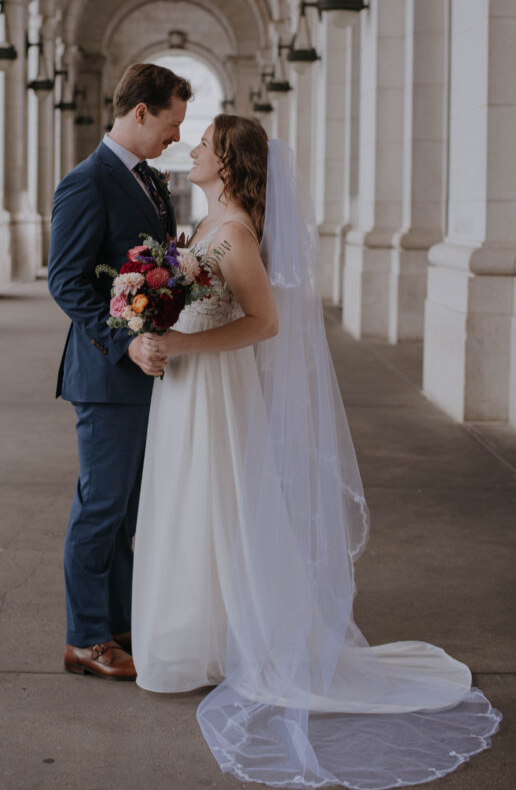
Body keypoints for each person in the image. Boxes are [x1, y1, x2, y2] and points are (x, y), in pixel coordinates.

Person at [132, 114, 500, 788]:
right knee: (194, 506)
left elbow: (265, 322)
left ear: (228, 161)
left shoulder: (236, 232)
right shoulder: (210, 224)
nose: (192, 149)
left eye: (204, 143)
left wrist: (178, 342)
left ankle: (242, 640)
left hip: (217, 388)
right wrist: (146, 328)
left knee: (224, 502)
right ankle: (203, 639)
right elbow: (180, 303)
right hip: (188, 390)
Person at [47, 62, 190, 681]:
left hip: (145, 372)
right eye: (172, 122)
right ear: (140, 113)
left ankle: (121, 622)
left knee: (132, 509)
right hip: (107, 376)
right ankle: (84, 639)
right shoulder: (88, 182)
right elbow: (66, 281)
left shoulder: (151, 179)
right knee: (101, 507)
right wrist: (123, 341)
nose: (178, 136)